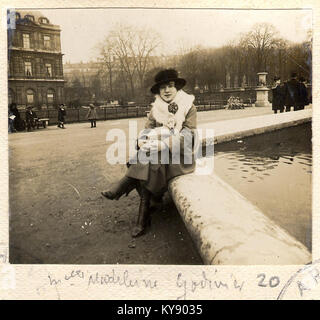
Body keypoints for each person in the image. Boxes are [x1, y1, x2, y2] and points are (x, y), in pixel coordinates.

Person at [101, 69, 198, 238]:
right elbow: (147, 130)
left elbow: (189, 136)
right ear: (158, 91)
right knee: (148, 158)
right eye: (162, 88)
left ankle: (127, 187)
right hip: (157, 153)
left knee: (146, 160)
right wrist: (141, 141)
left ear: (177, 88)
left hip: (179, 155)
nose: (167, 90)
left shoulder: (188, 105)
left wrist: (164, 144)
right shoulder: (156, 108)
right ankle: (143, 213)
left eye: (170, 86)